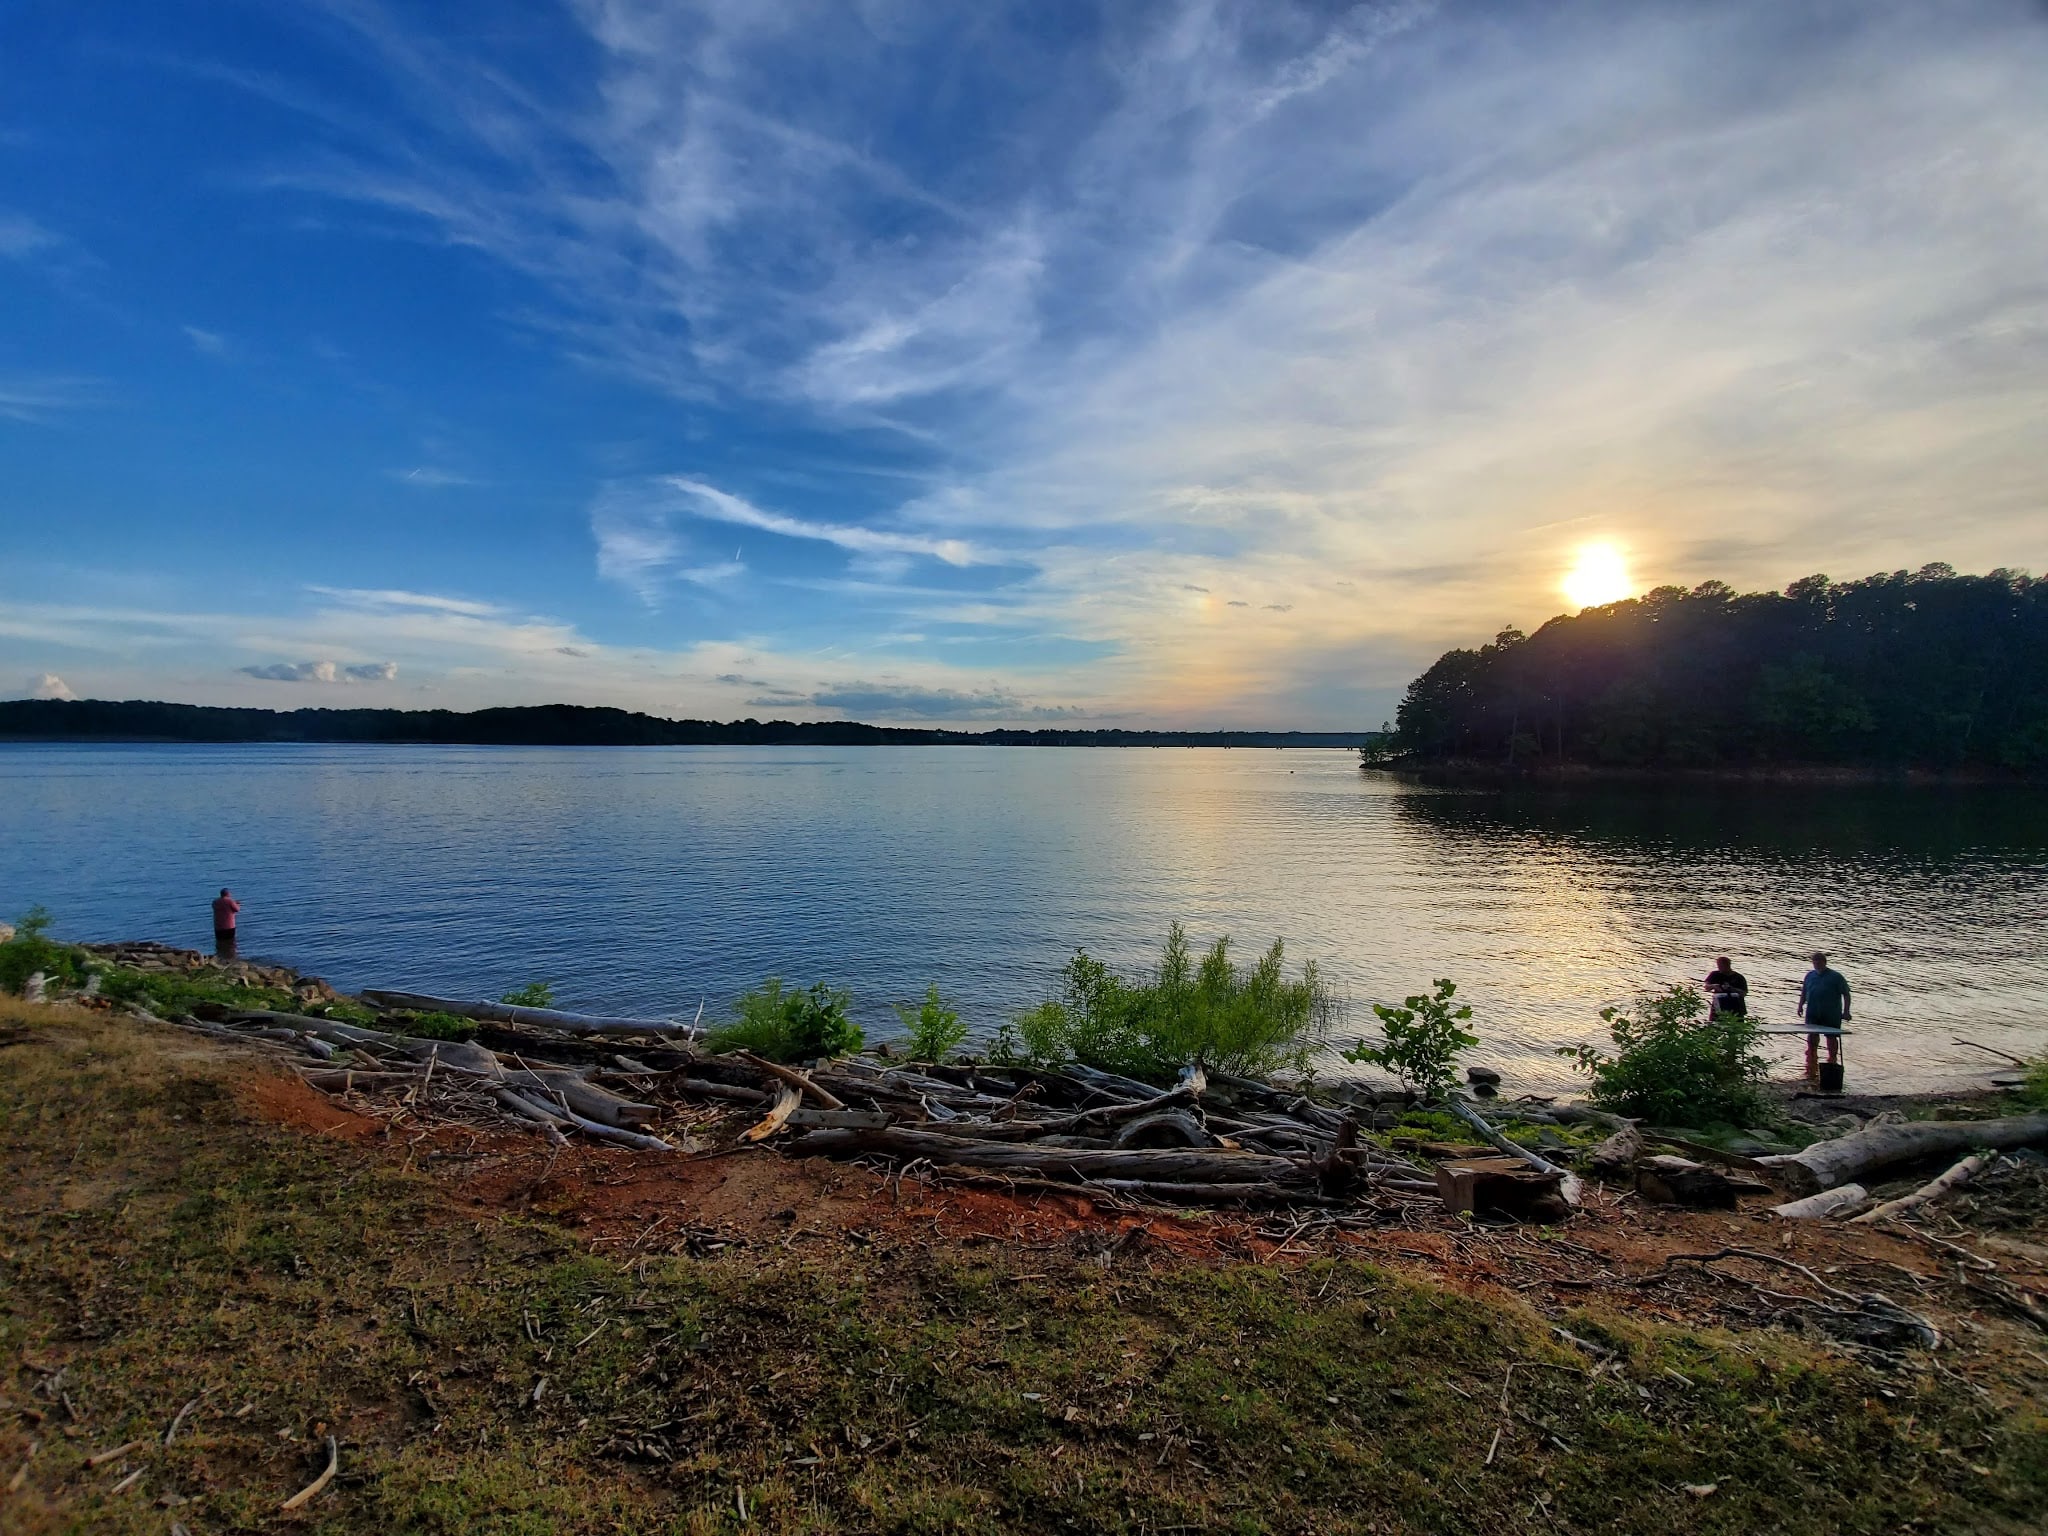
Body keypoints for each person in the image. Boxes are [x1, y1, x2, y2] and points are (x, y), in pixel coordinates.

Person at [1797, 950, 1851, 1069]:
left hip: (1831, 1012)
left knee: (1831, 1036)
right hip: (1812, 1011)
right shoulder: (1810, 975)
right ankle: (1811, 1057)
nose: (1816, 964)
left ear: (1824, 962)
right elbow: (1804, 991)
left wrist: (1846, 1011)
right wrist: (1800, 1005)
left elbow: (1846, 994)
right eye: (1814, 962)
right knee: (1812, 1035)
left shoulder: (1836, 977)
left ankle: (1832, 1057)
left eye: (1819, 962)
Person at [212, 887, 241, 959]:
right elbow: (237, 909)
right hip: (229, 926)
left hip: (218, 926)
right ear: (228, 894)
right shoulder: (230, 901)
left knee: (219, 941)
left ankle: (220, 956)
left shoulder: (215, 902)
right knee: (230, 942)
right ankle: (230, 956)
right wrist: (237, 904)